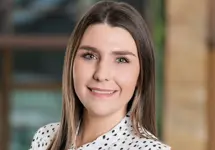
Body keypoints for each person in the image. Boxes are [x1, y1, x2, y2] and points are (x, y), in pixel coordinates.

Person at [29, 1, 171, 150]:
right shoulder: (46, 137)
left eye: (121, 60)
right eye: (89, 56)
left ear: (141, 74)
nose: (101, 74)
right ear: (71, 62)